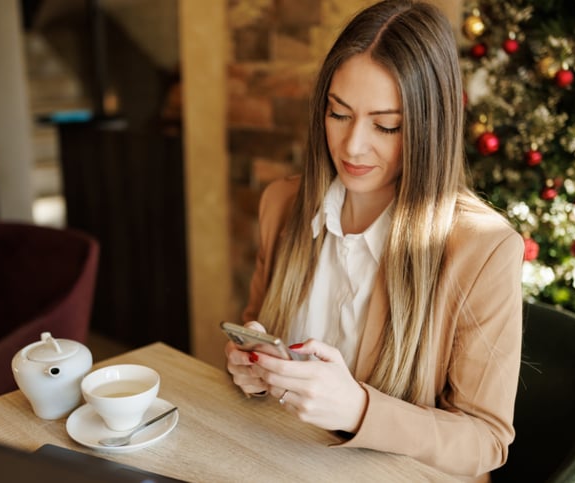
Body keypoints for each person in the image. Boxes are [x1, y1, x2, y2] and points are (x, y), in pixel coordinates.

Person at [224, 0, 524, 481]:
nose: (352, 146)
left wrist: (359, 410)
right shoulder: (282, 204)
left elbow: (485, 441)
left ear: (429, 127)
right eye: (338, 114)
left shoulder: (484, 249)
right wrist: (253, 370)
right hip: (283, 459)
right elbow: (256, 327)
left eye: (386, 125)